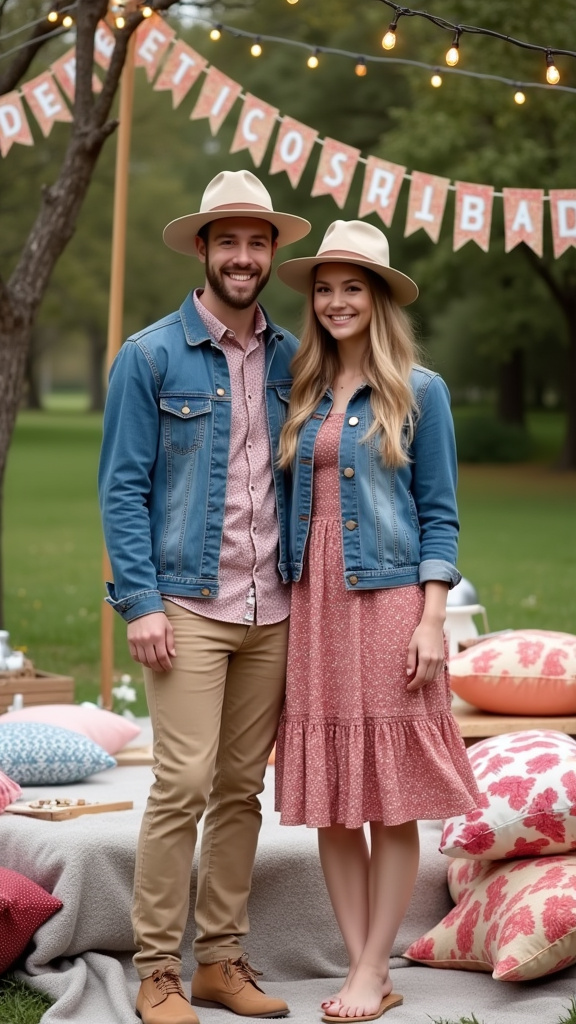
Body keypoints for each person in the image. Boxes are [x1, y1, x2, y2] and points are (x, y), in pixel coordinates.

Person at [98, 170, 310, 1024]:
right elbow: (122, 487)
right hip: (186, 601)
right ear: (203, 249)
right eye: (229, 240)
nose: (244, 256)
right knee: (181, 782)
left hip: (274, 606)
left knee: (238, 789)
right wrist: (140, 600)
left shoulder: (296, 355)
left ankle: (222, 960)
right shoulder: (149, 355)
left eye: (258, 242)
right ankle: (158, 971)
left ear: (270, 253)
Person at [273, 220, 480, 1024]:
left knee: (390, 799)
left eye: (351, 287)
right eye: (324, 289)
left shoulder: (420, 391)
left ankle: (369, 966)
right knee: (333, 800)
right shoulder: (302, 389)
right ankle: (368, 967)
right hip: (315, 605)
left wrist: (433, 620)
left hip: (392, 601)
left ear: (381, 297)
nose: (334, 302)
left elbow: (441, 515)